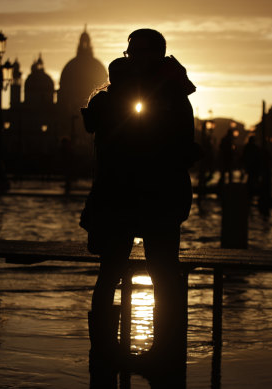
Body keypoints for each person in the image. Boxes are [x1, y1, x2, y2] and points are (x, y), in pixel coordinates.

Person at [80, 29, 198, 377]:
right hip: (124, 199)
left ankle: (162, 350)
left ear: (157, 56)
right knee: (111, 275)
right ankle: (105, 349)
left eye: (140, 53)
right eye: (131, 53)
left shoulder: (172, 97)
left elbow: (180, 146)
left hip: (156, 199)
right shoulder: (116, 96)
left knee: (162, 275)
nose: (135, 58)